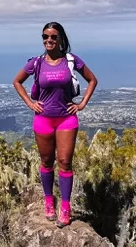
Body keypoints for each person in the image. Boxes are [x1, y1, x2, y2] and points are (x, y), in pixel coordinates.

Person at [12, 21, 98, 226]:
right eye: (45, 37)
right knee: (46, 161)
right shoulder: (36, 63)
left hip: (67, 118)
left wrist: (82, 103)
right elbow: (17, 81)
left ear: (61, 39)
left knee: (65, 162)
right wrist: (30, 103)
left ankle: (66, 208)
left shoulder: (70, 60)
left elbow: (92, 79)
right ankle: (49, 200)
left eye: (53, 37)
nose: (48, 40)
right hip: (43, 119)